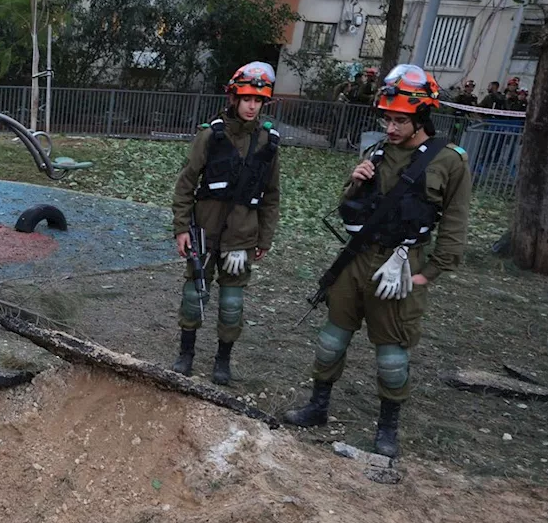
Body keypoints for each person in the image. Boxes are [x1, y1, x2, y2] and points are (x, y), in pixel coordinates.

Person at [284, 64, 472, 458]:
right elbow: (346, 206)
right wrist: (355, 179)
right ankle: (318, 405)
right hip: (357, 259)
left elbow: (454, 227)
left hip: (403, 263)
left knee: (391, 353)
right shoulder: (378, 151)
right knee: (332, 338)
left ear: (421, 117)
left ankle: (388, 426)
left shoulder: (449, 162)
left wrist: (426, 276)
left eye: (399, 120)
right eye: (386, 118)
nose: (389, 127)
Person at [170, 61, 282, 385]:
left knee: (232, 304)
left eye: (258, 100)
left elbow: (272, 196)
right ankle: (185, 354)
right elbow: (186, 184)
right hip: (203, 232)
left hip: (242, 238)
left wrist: (264, 239)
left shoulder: (268, 142)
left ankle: (223, 361)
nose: (251, 105)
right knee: (194, 296)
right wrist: (180, 228)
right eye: (246, 98)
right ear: (234, 98)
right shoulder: (211, 135)